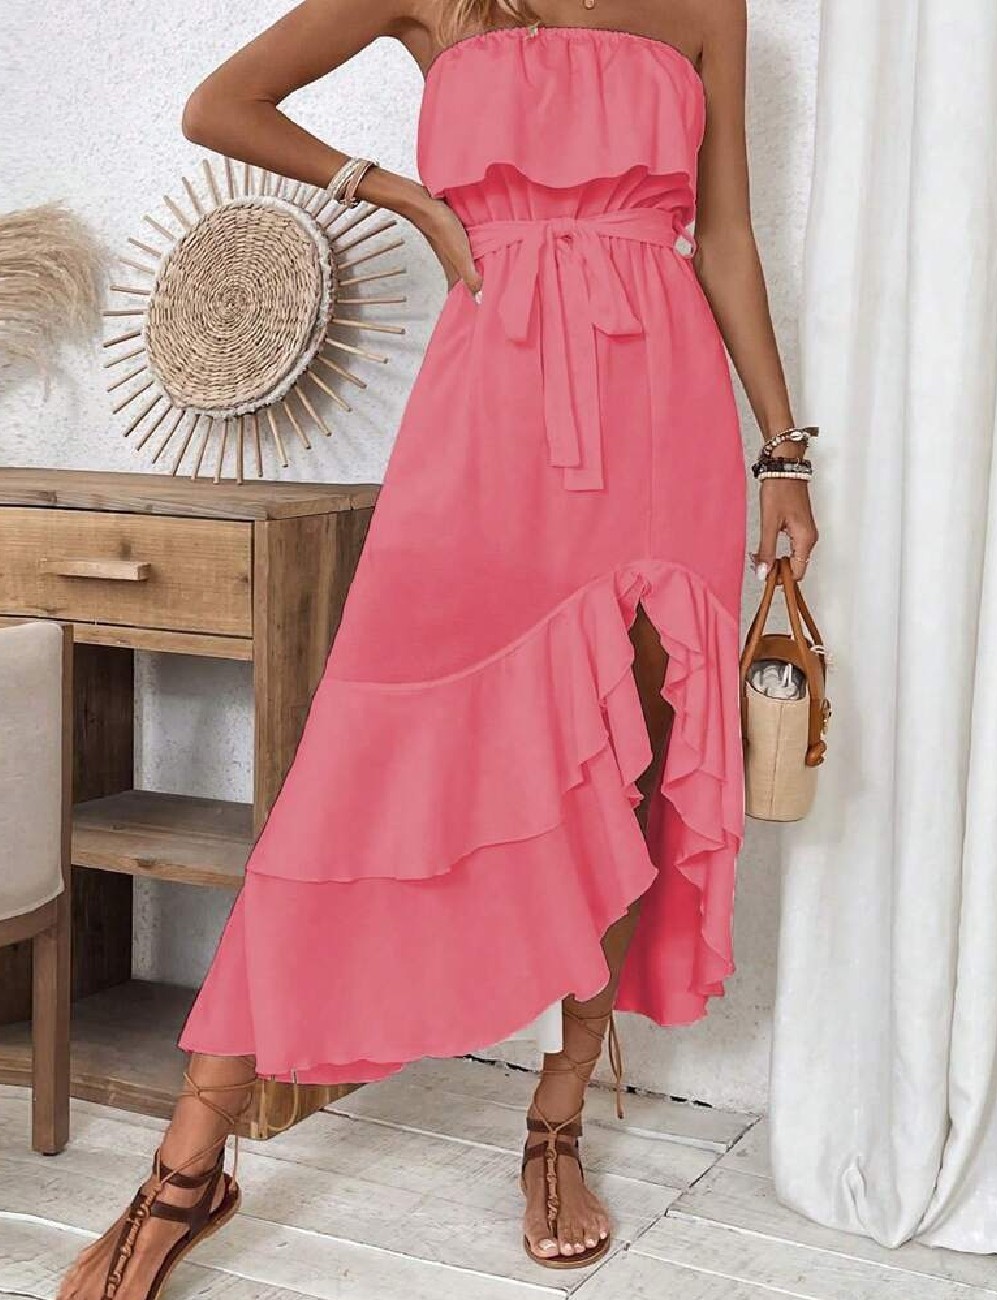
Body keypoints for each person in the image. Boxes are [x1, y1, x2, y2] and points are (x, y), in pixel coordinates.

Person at [59, 1, 818, 1293]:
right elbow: (219, 107)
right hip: (493, 394)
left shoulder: (709, 7)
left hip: (664, 411)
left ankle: (556, 1123)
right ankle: (193, 1160)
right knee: (363, 757)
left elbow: (728, 234)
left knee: (628, 771)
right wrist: (402, 195)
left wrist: (782, 451)